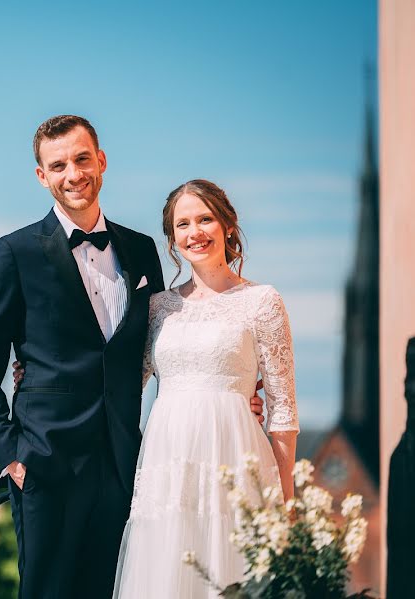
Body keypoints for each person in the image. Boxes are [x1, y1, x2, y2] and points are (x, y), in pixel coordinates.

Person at [0, 116, 263, 598]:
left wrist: (234, 397)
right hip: (46, 462)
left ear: (100, 161)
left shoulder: (141, 251)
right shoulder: (12, 252)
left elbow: (166, 346)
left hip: (130, 463)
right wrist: (9, 456)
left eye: (82, 159)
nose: (73, 173)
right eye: (58, 165)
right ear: (42, 176)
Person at [110, 179, 299, 597]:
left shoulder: (263, 302)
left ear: (227, 226)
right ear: (173, 239)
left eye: (205, 219)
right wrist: (30, 370)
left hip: (236, 463)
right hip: (169, 470)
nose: (195, 232)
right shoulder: (159, 308)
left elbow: (283, 414)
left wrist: (286, 505)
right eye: (183, 224)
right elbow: (121, 383)